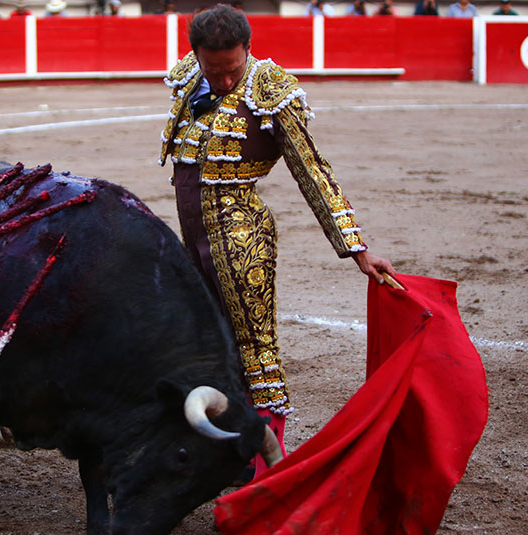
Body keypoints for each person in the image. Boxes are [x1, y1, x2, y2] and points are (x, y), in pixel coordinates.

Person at [159, 4, 396, 479]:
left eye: (232, 69)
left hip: (242, 237)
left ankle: (268, 462)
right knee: (208, 341)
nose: (224, 81)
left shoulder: (271, 90)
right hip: (195, 237)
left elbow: (311, 169)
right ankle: (224, 445)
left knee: (255, 346)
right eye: (214, 70)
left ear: (249, 49)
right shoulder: (188, 75)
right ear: (196, 56)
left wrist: (357, 248)